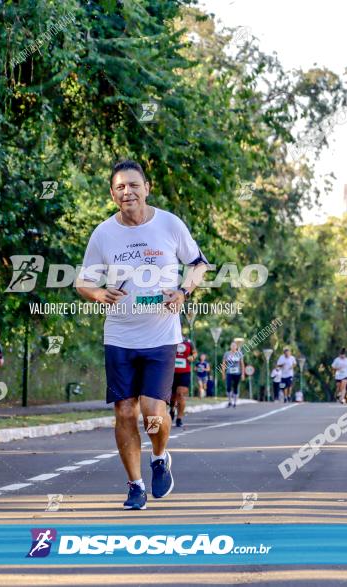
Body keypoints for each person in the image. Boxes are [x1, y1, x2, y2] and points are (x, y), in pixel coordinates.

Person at [75, 159, 207, 510]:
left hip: (161, 335)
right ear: (112, 194)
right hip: (119, 335)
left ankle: (160, 456)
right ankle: (135, 485)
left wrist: (183, 291)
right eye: (120, 187)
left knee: (152, 411)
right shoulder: (103, 233)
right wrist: (98, 293)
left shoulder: (169, 224)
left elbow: (199, 264)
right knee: (123, 411)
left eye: (133, 185)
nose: (127, 191)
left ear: (146, 188)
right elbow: (82, 281)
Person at [170, 336, 196, 428]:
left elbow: (194, 353)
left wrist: (192, 357)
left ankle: (179, 418)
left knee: (180, 394)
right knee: (172, 396)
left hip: (184, 372)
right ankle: (172, 409)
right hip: (170, 372)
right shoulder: (170, 338)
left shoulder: (189, 341)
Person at [221, 341, 245, 408]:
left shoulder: (239, 354)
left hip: (237, 373)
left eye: (234, 346)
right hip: (229, 373)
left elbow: (242, 364)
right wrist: (223, 373)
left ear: (236, 347)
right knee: (228, 387)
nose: (233, 347)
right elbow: (223, 364)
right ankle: (229, 401)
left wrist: (243, 374)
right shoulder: (227, 354)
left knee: (235, 387)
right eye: (232, 346)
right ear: (230, 346)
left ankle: (234, 402)